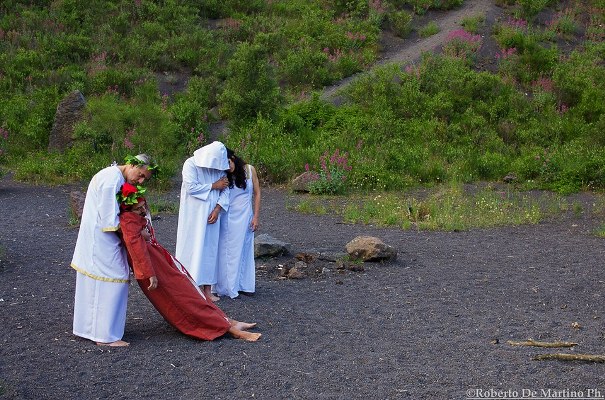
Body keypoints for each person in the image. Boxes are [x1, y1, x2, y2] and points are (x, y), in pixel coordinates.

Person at [118, 185, 261, 342]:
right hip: (154, 267)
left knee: (191, 289)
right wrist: (149, 274)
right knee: (184, 297)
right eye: (139, 208)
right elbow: (136, 249)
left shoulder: (135, 219)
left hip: (160, 260)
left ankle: (227, 322)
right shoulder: (129, 221)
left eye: (143, 206)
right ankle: (230, 330)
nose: (143, 210)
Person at [71, 154, 157, 347]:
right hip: (101, 239)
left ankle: (88, 329)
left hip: (97, 239)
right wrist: (137, 232)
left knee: (96, 284)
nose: (140, 180)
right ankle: (106, 336)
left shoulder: (114, 176)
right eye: (141, 175)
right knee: (115, 279)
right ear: (132, 164)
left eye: (144, 179)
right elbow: (110, 220)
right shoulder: (111, 180)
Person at [175, 141, 230, 302]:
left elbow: (226, 189)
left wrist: (218, 209)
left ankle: (207, 290)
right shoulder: (191, 164)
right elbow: (191, 187)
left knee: (210, 251)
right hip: (194, 216)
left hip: (212, 216)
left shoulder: (219, 167)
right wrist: (214, 185)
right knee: (192, 248)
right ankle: (190, 288)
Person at [215, 148, 261, 299]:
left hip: (245, 215)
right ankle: (227, 285)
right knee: (227, 250)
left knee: (245, 248)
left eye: (228, 163)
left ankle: (245, 284)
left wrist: (256, 216)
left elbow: (257, 193)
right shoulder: (224, 174)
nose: (228, 167)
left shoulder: (249, 169)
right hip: (228, 216)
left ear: (233, 158)